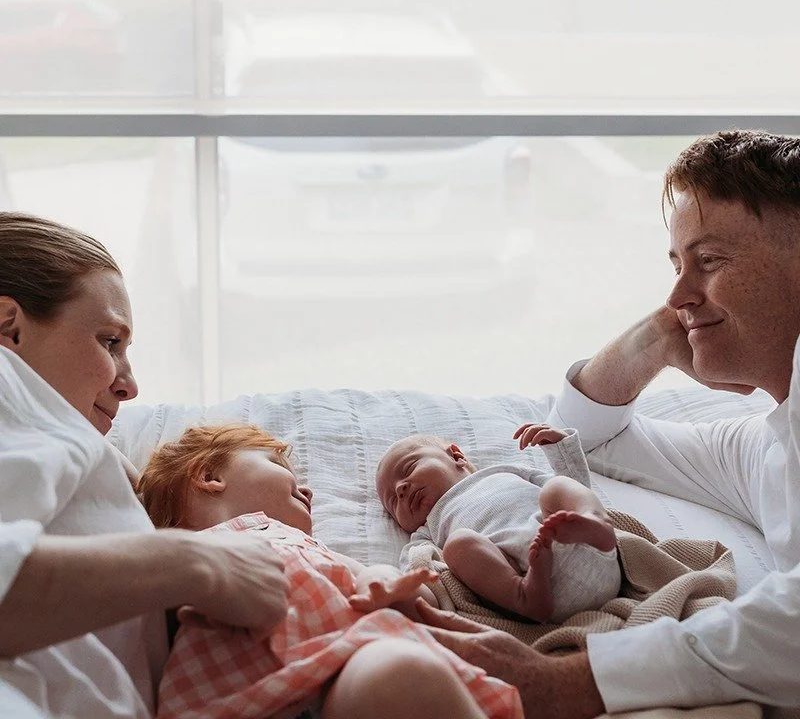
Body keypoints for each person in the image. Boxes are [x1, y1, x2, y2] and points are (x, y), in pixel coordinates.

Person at [0, 212, 487, 719]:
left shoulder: (74, 445)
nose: (130, 386)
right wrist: (200, 565)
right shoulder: (11, 387)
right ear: (8, 327)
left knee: (394, 679)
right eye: (109, 342)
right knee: (398, 678)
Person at [414, 129, 800, 718]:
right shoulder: (771, 442)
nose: (677, 294)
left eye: (709, 261)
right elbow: (591, 440)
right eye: (677, 265)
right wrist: (655, 338)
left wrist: (562, 680)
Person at [137, 423, 522, 719]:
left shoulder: (311, 547)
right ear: (210, 476)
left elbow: (402, 590)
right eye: (277, 465)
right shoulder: (182, 552)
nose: (308, 491)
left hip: (342, 678)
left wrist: (385, 583)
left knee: (401, 671)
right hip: (245, 701)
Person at [377, 429, 620, 623]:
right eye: (393, 502)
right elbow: (417, 570)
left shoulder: (504, 471)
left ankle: (597, 522)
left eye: (409, 468)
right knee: (457, 545)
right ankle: (523, 595)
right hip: (537, 581)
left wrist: (560, 448)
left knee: (556, 487)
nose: (400, 489)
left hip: (586, 545)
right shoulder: (427, 530)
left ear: (456, 456)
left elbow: (577, 488)